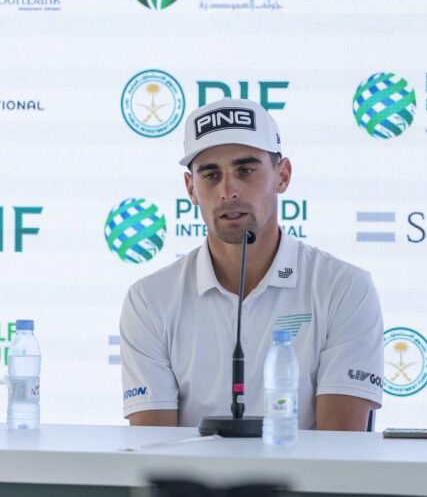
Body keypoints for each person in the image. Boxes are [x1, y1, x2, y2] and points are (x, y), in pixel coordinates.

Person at [120, 99, 383, 430]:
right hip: (189, 483)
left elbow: (339, 450)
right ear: (191, 188)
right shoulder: (149, 299)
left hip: (305, 483)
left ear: (282, 176)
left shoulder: (345, 287)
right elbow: (153, 448)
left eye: (245, 171)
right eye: (211, 175)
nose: (228, 191)